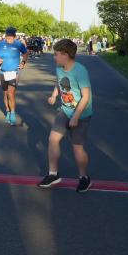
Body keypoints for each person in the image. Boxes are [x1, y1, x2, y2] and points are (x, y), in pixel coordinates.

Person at [40, 39, 93, 192]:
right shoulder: (59, 68)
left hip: (81, 114)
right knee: (53, 140)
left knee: (77, 148)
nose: (54, 57)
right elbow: (59, 83)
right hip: (65, 110)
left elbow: (86, 97)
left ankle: (84, 178)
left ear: (65, 55)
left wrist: (76, 117)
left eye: (56, 54)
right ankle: (53, 175)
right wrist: (54, 95)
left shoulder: (80, 71)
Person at [0, 27, 28, 126]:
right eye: (7, 38)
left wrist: (23, 62)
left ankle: (12, 113)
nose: (9, 40)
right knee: (5, 94)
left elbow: (25, 53)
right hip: (3, 72)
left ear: (14, 37)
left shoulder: (18, 44)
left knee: (11, 93)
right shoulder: (1, 44)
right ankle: (7, 111)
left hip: (14, 72)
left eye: (10, 38)